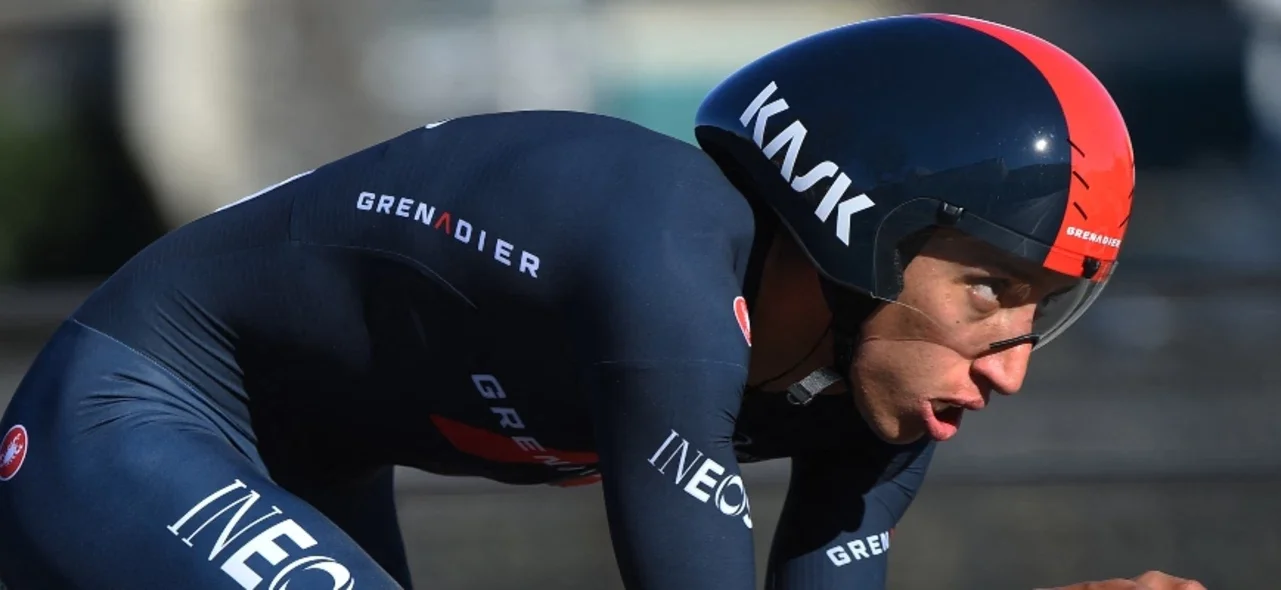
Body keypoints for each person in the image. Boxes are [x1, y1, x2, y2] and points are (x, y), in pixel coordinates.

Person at [0, 13, 1202, 590]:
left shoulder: (878, 378)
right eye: (992, 289)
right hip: (136, 413)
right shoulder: (659, 255)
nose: (1010, 367)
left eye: (1042, 311)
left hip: (309, 461)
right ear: (857, 223)